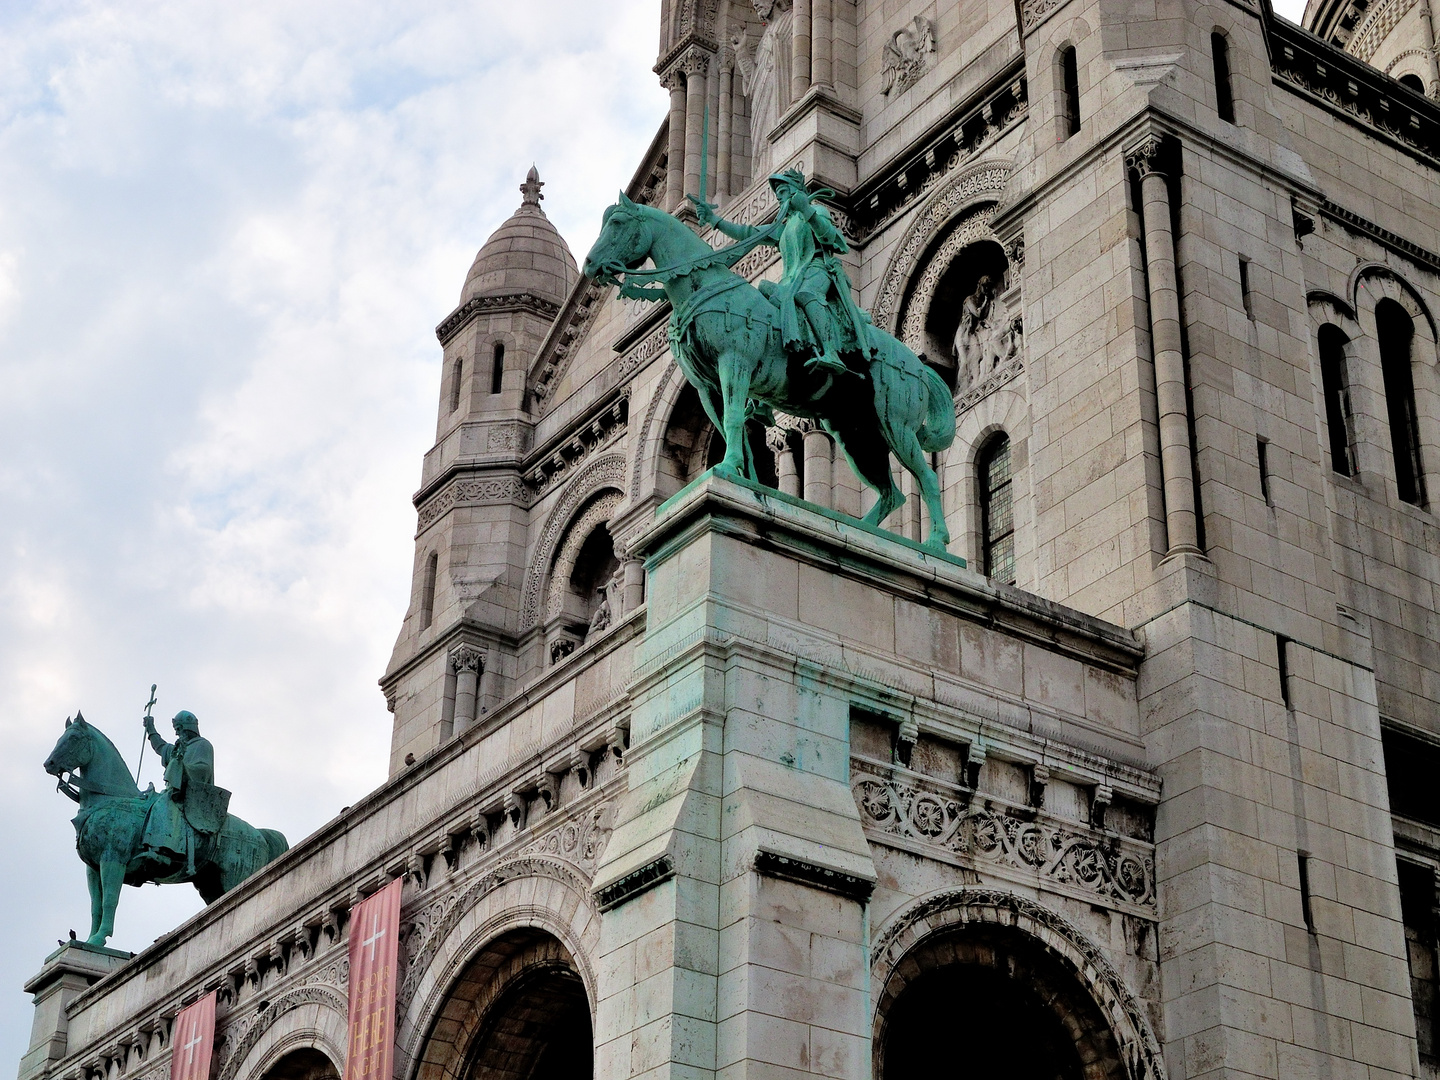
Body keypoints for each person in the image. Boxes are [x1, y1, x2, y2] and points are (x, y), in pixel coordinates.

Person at [690, 169, 873, 378]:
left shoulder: (816, 212)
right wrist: (715, 220)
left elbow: (834, 240)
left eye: (784, 192)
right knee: (763, 293)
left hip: (818, 270)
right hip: (792, 279)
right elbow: (747, 233)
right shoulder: (783, 229)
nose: (780, 199)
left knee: (807, 295)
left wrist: (807, 211)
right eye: (778, 197)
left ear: (796, 191)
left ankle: (831, 352)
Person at [140, 710, 215, 875]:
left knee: (164, 804)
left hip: (193, 796)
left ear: (188, 728)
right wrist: (151, 729)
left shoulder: (203, 745)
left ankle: (163, 850)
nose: (176, 733)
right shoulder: (179, 747)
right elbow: (161, 747)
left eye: (179, 729)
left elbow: (204, 770)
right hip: (175, 791)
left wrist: (182, 767)